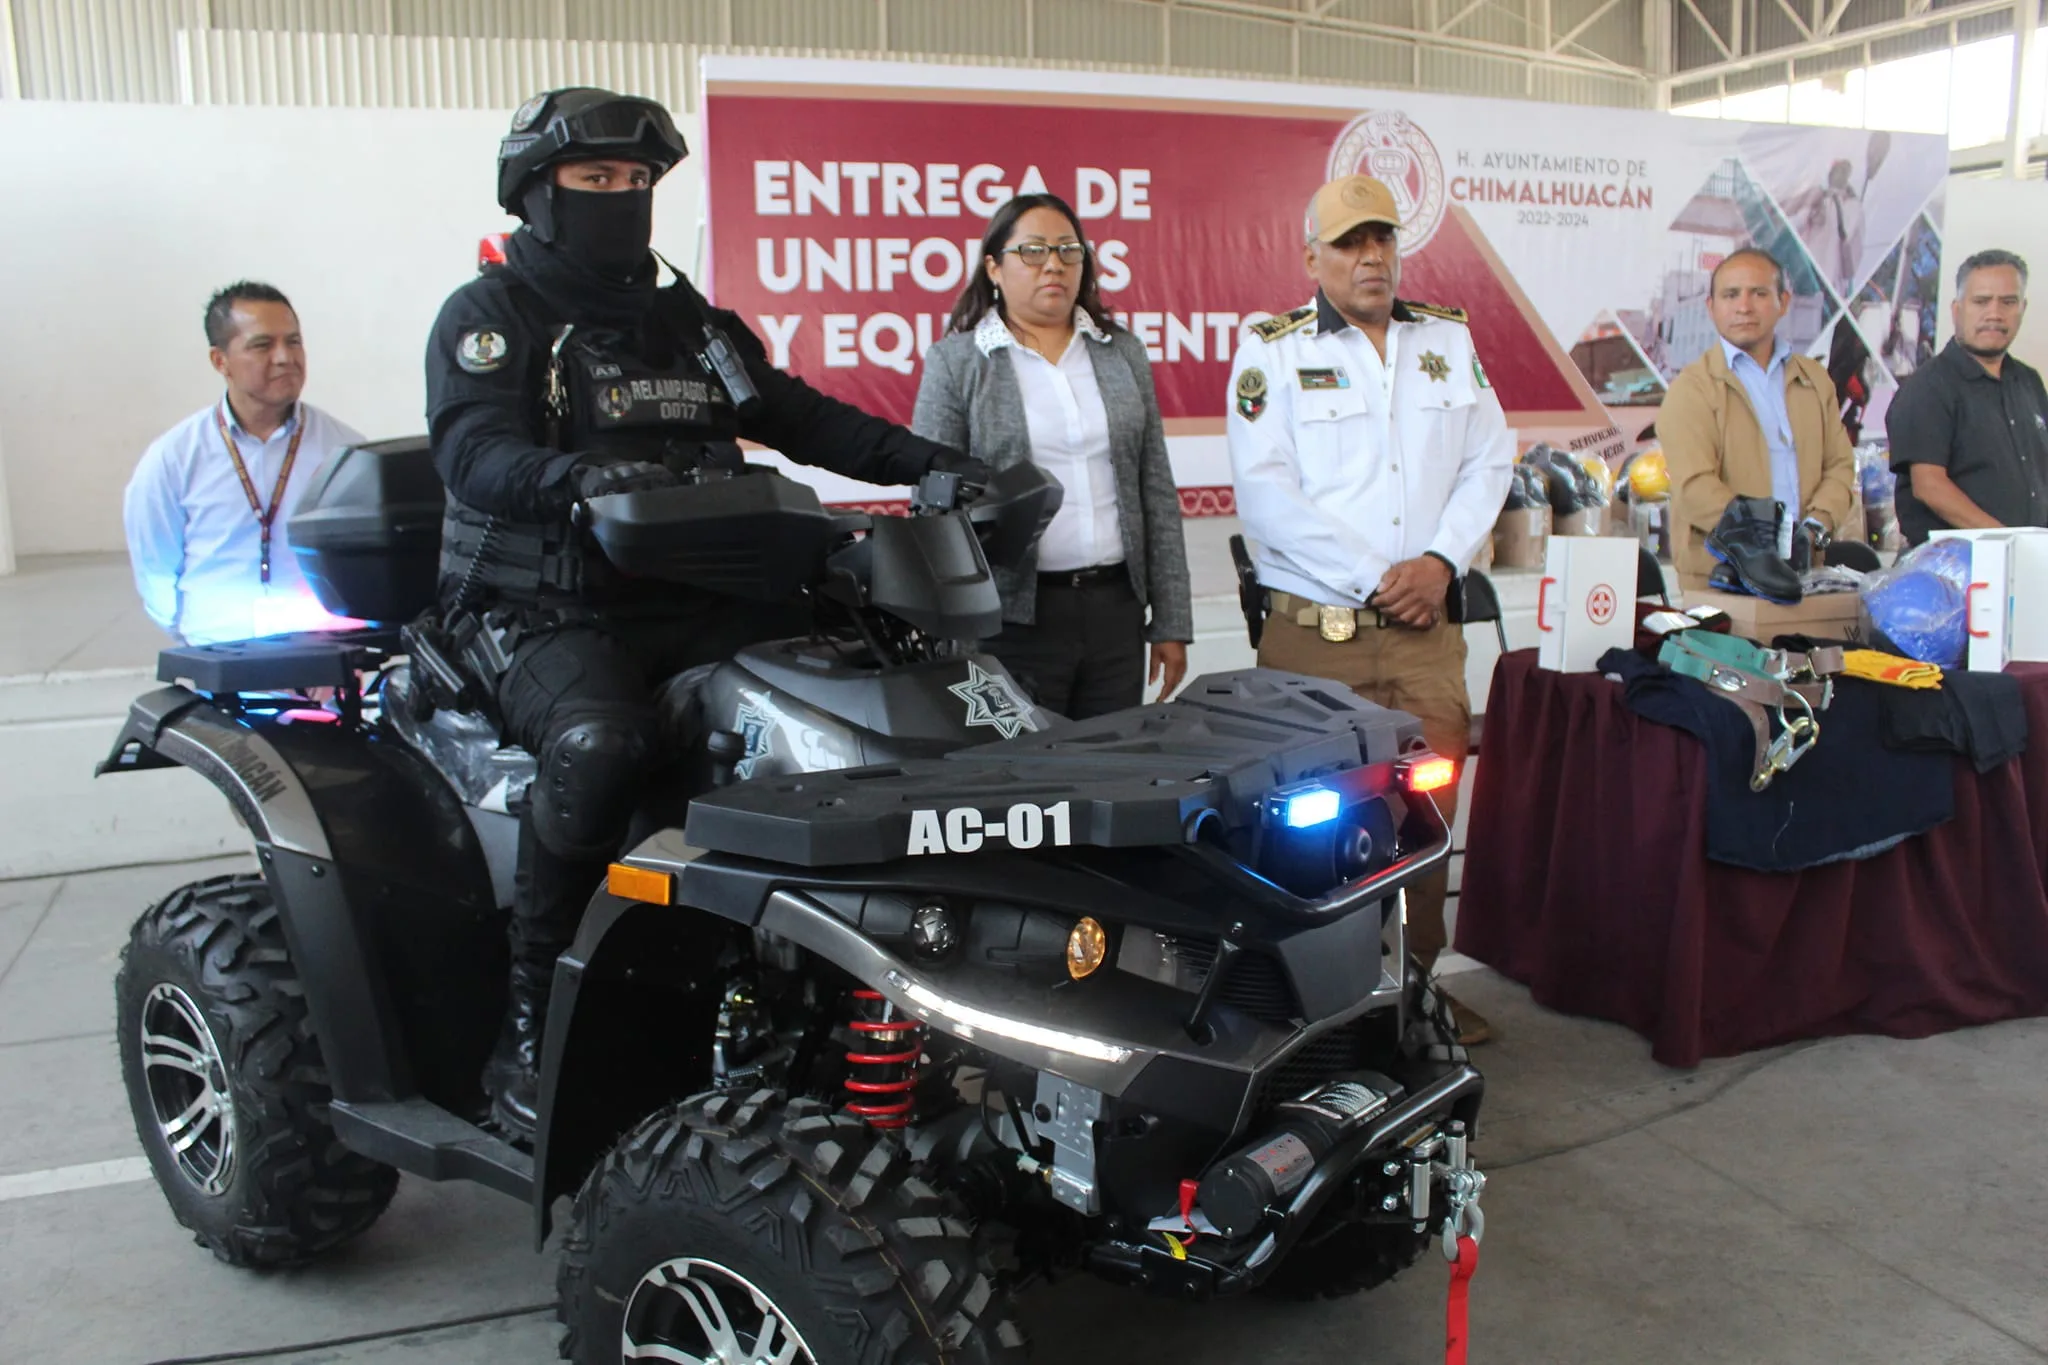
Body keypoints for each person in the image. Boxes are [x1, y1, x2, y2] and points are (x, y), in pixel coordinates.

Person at [427, 87, 981, 1141]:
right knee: (601, 745)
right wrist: (579, 480)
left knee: (859, 712)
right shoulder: (490, 317)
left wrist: (941, 468)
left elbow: (798, 416)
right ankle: (533, 1036)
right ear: (538, 196)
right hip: (540, 610)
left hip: (700, 596)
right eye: (596, 182)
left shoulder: (688, 323)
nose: (620, 200)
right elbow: (471, 453)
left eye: (636, 183)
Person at [1227, 173, 1513, 1045]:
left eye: (1382, 238)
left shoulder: (1446, 342)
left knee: (1426, 820)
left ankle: (1416, 994)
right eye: (1349, 242)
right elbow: (1265, 494)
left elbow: (1490, 460)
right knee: (1311, 828)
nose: (1370, 256)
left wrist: (1438, 563)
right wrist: (1380, 577)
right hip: (1320, 640)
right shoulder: (1270, 352)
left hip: (1428, 637)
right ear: (1313, 256)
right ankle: (1309, 1009)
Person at [912, 194, 1193, 717]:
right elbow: (934, 508)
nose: (1054, 265)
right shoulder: (958, 363)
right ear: (994, 266)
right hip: (1010, 621)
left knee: (1114, 774)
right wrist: (952, 635)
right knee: (1030, 783)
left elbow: (1154, 487)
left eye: (1069, 250)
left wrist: (1172, 622)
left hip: (1116, 613)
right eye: (1034, 251)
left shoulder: (1121, 352)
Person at [123, 282, 367, 645]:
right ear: (220, 361)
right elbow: (155, 570)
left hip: (322, 659)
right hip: (219, 654)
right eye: (263, 345)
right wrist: (202, 635)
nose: (285, 357)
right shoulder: (174, 458)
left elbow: (361, 568)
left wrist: (340, 646)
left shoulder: (345, 451)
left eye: (294, 341)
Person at [1660, 247, 1857, 587]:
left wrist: (1814, 528)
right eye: (1730, 295)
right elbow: (1695, 488)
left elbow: (1839, 466)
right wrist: (1766, 539)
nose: (1744, 307)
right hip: (1721, 579)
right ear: (1711, 308)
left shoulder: (1814, 379)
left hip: (1805, 572)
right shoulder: (1692, 389)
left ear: (1784, 301)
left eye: (1759, 293)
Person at [1887, 250, 2047, 544]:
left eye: (2008, 302)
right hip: (1952, 571)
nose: (1995, 313)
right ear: (1957, 309)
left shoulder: (2029, 382)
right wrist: (2007, 542)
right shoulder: (1928, 387)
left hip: (2028, 566)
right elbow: (1929, 485)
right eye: (1981, 301)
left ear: (2022, 308)